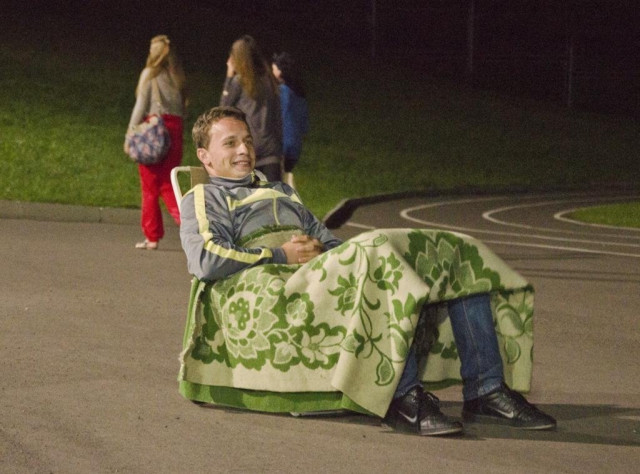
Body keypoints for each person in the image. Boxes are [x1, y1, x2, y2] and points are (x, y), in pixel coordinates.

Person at [179, 106, 557, 437]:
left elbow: (329, 240)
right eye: (230, 143)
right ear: (205, 157)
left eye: (247, 141)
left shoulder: (282, 192)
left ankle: (486, 391)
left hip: (316, 273)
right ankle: (402, 398)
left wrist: (328, 254)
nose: (244, 150)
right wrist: (281, 254)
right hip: (273, 286)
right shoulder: (206, 196)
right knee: (376, 250)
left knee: (452, 250)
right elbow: (205, 259)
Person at [125, 34, 187, 250]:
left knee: (150, 186)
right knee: (169, 183)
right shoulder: (177, 77)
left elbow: (140, 106)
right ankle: (191, 224)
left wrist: (130, 134)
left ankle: (153, 236)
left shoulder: (149, 74)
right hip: (175, 132)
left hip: (155, 134)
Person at [219, 35, 283, 182]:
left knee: (248, 196)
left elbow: (222, 110)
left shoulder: (239, 81)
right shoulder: (269, 80)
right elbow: (278, 116)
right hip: (271, 151)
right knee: (272, 195)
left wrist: (229, 76)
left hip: (248, 151)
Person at [272, 52, 309, 188]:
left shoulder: (282, 92)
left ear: (280, 72)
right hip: (295, 148)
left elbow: (276, 117)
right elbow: (304, 127)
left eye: (273, 69)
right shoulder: (299, 94)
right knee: (284, 177)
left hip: (282, 146)